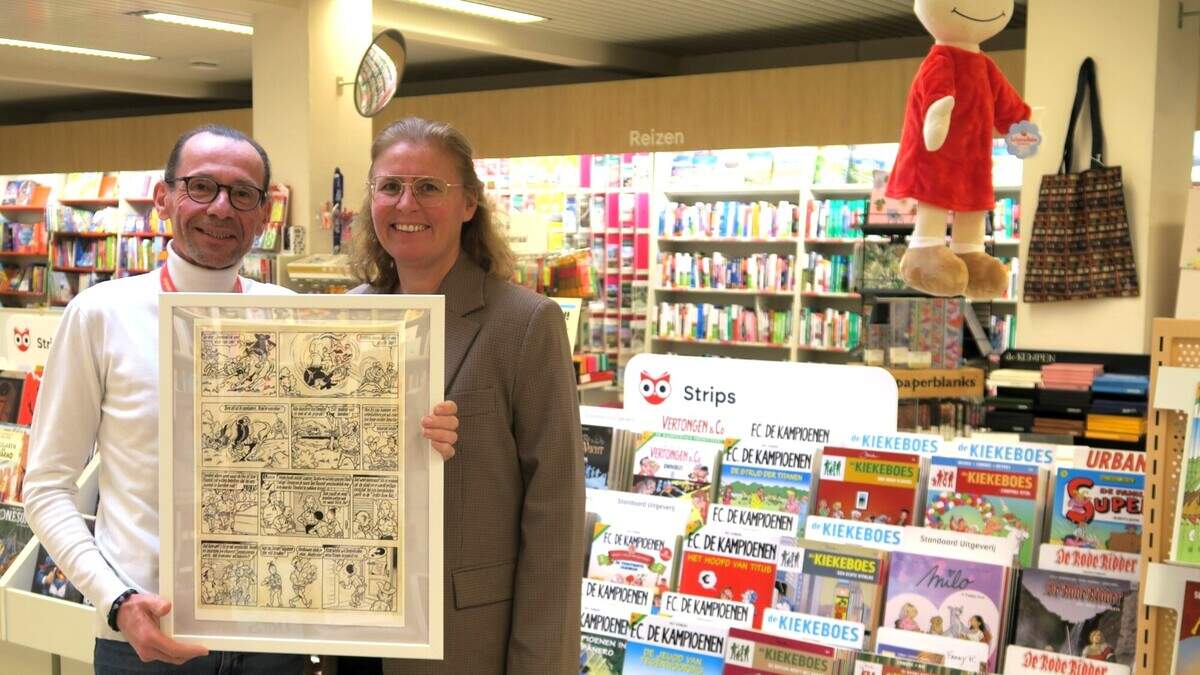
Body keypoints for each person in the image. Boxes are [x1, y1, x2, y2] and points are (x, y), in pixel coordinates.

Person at [22, 125, 460, 674]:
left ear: (264, 214)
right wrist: (116, 601)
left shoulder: (290, 315)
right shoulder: (100, 314)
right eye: (201, 187)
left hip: (275, 647)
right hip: (146, 641)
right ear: (164, 199)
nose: (221, 208)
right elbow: (45, 488)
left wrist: (420, 440)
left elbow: (336, 466)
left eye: (243, 194)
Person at [347, 116, 584, 674]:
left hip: (463, 642)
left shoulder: (525, 323)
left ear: (469, 203)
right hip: (352, 633)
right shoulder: (349, 315)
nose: (407, 204)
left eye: (429, 187)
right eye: (390, 187)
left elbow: (555, 515)